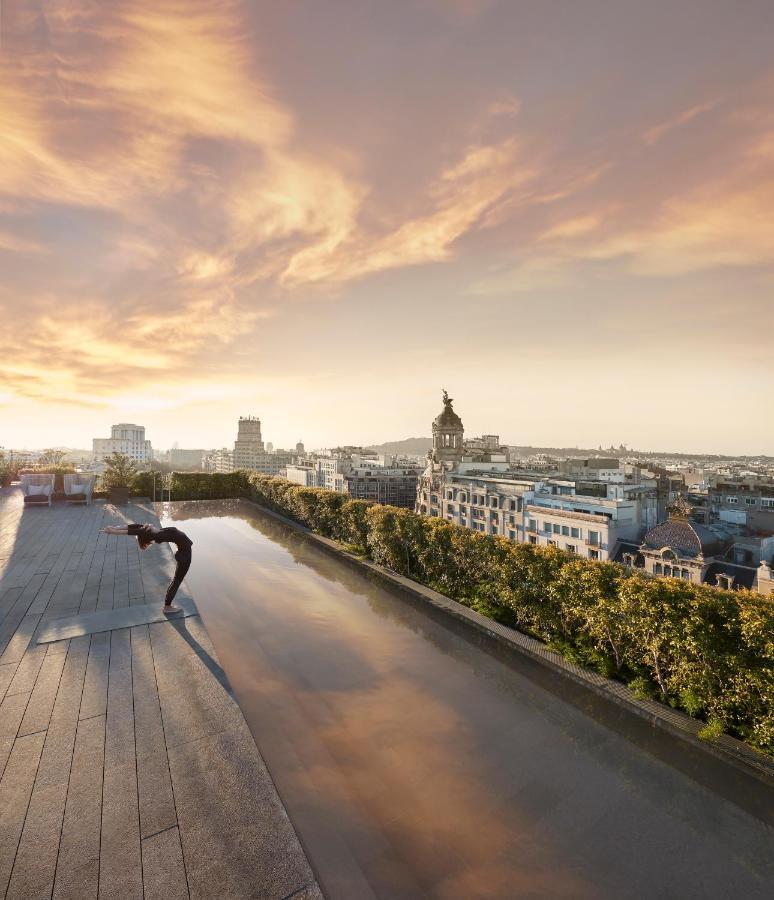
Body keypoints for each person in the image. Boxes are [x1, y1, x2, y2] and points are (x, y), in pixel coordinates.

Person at [101, 522, 193, 614]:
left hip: (184, 553)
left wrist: (114, 527)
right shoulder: (155, 534)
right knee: (177, 581)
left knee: (176, 581)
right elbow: (129, 532)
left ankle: (167, 606)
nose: (148, 524)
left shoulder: (151, 530)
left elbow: (131, 526)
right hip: (185, 557)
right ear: (146, 535)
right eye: (146, 527)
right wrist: (112, 531)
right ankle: (167, 607)